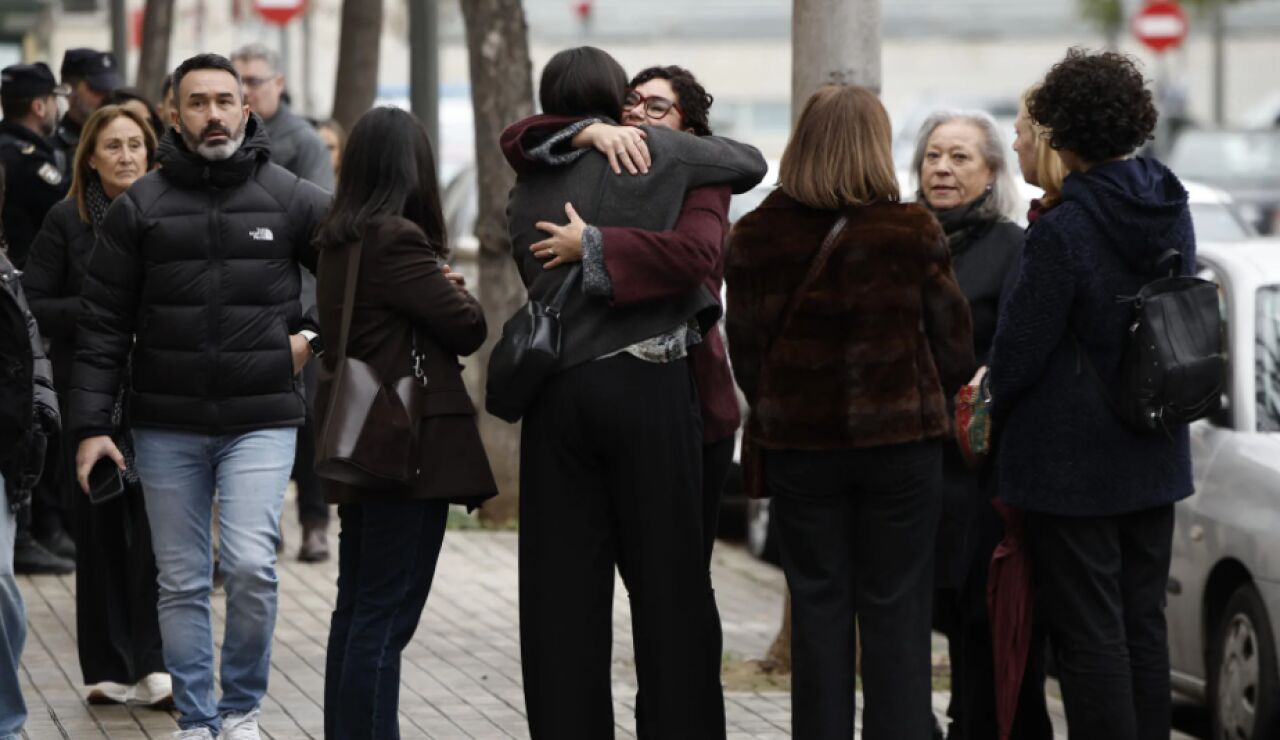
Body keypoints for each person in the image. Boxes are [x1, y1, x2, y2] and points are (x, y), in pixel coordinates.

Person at [507, 46, 765, 739]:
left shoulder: (532, 176)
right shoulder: (672, 162)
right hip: (644, 388)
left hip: (559, 395)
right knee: (670, 589)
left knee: (564, 596)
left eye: (654, 107)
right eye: (631, 102)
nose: (639, 116)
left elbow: (521, 137)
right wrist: (618, 135)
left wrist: (594, 236)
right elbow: (748, 167)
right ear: (607, 102)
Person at [70, 53, 330, 740]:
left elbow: (361, 272)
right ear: (172, 114)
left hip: (262, 419)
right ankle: (198, 716)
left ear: (248, 110)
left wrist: (314, 337)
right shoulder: (141, 208)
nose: (213, 113)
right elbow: (101, 326)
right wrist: (92, 425)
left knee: (249, 566)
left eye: (225, 100)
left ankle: (241, 708)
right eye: (198, 102)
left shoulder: (291, 197)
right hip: (166, 425)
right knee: (182, 583)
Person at [726, 85, 974, 740]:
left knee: (817, 606)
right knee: (896, 608)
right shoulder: (911, 230)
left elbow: (746, 353)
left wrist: (788, 398)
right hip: (901, 450)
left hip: (802, 451)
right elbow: (954, 345)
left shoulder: (754, 236)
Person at [987, 49, 1194, 740]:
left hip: (1072, 466)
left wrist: (992, 409)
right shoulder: (1167, 201)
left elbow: (1019, 349)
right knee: (1143, 623)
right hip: (1154, 443)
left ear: (1062, 133)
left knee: (1090, 635)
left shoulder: (1066, 228)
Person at [315, 105, 496, 740]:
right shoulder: (396, 239)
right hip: (403, 446)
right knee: (385, 618)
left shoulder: (339, 239)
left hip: (359, 437)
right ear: (410, 167)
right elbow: (467, 327)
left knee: (358, 607)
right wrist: (456, 289)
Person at [21, 104, 170, 707]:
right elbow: (34, 303)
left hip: (159, 391)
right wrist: (101, 313)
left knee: (159, 532)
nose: (127, 156)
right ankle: (108, 665)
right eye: (113, 146)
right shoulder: (66, 220)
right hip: (89, 392)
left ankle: (157, 662)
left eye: (136, 144)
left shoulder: (168, 213)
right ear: (90, 156)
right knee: (101, 526)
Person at [910, 110, 1051, 740]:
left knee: (978, 616)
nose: (942, 168)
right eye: (933, 155)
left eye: (961, 157)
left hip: (977, 463)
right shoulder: (902, 237)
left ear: (993, 171)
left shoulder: (1011, 247)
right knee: (914, 607)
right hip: (909, 457)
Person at [231, 43, 334, 563]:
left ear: (279, 81)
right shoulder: (228, 145)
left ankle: (315, 522)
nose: (247, 89)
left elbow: (321, 234)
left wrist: (310, 325)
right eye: (239, 80)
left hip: (297, 301)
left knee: (310, 416)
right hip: (247, 302)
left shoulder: (303, 141)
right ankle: (256, 529)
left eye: (255, 79)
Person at [0, 62, 76, 576]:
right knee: (30, 412)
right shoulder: (25, 159)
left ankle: (36, 526)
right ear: (39, 104)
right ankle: (28, 528)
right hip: (21, 299)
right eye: (53, 98)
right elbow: (64, 199)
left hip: (23, 296)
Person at [0, 162, 60, 740]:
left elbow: (30, 350)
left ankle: (5, 721)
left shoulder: (4, 271)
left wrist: (42, 411)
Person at [50, 48, 122, 180]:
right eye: (97, 89)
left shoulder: (126, 139)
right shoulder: (52, 148)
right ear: (69, 90)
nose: (106, 98)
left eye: (110, 90)